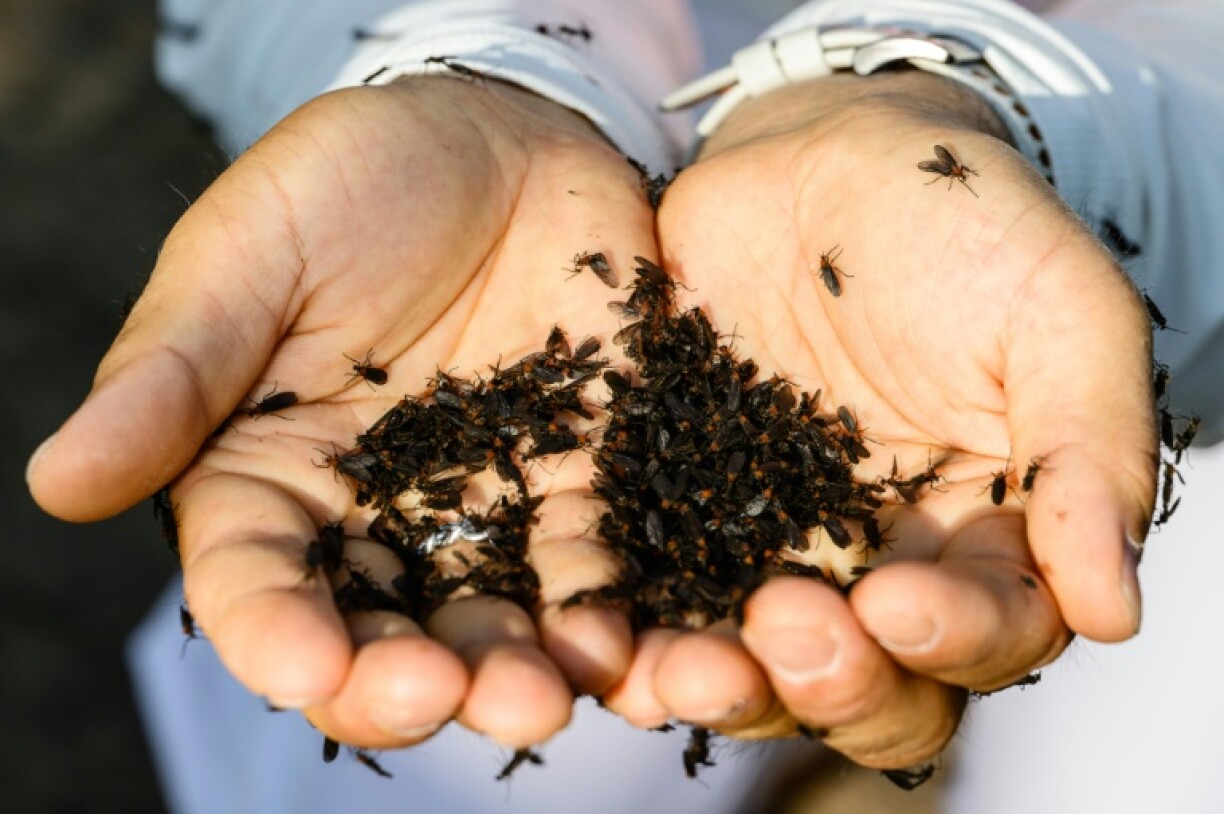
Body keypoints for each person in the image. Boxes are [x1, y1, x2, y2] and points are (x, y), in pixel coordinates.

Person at [26, 0, 1224, 811]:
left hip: (1064, 342)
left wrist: (1036, 130)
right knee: (418, 721)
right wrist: (481, 57)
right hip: (493, 292)